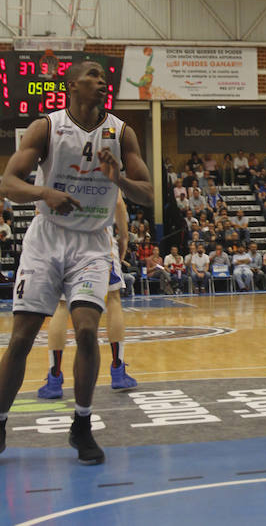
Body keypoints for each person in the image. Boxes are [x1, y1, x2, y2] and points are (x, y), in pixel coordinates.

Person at [0, 59, 153, 465]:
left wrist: (118, 178)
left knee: (87, 331)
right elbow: (8, 183)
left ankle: (82, 425)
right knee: (20, 338)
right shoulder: (46, 128)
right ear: (71, 84)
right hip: (47, 238)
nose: (102, 83)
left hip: (92, 242)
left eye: (104, 78)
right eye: (93, 77)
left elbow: (149, 195)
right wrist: (43, 193)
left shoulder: (122, 133)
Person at [36, 191, 140, 401]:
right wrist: (124, 236)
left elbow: (40, 210)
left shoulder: (55, 162)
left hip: (61, 239)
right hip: (97, 238)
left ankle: (54, 377)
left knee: (62, 305)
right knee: (113, 299)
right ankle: (118, 370)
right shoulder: (102, 161)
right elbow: (118, 201)